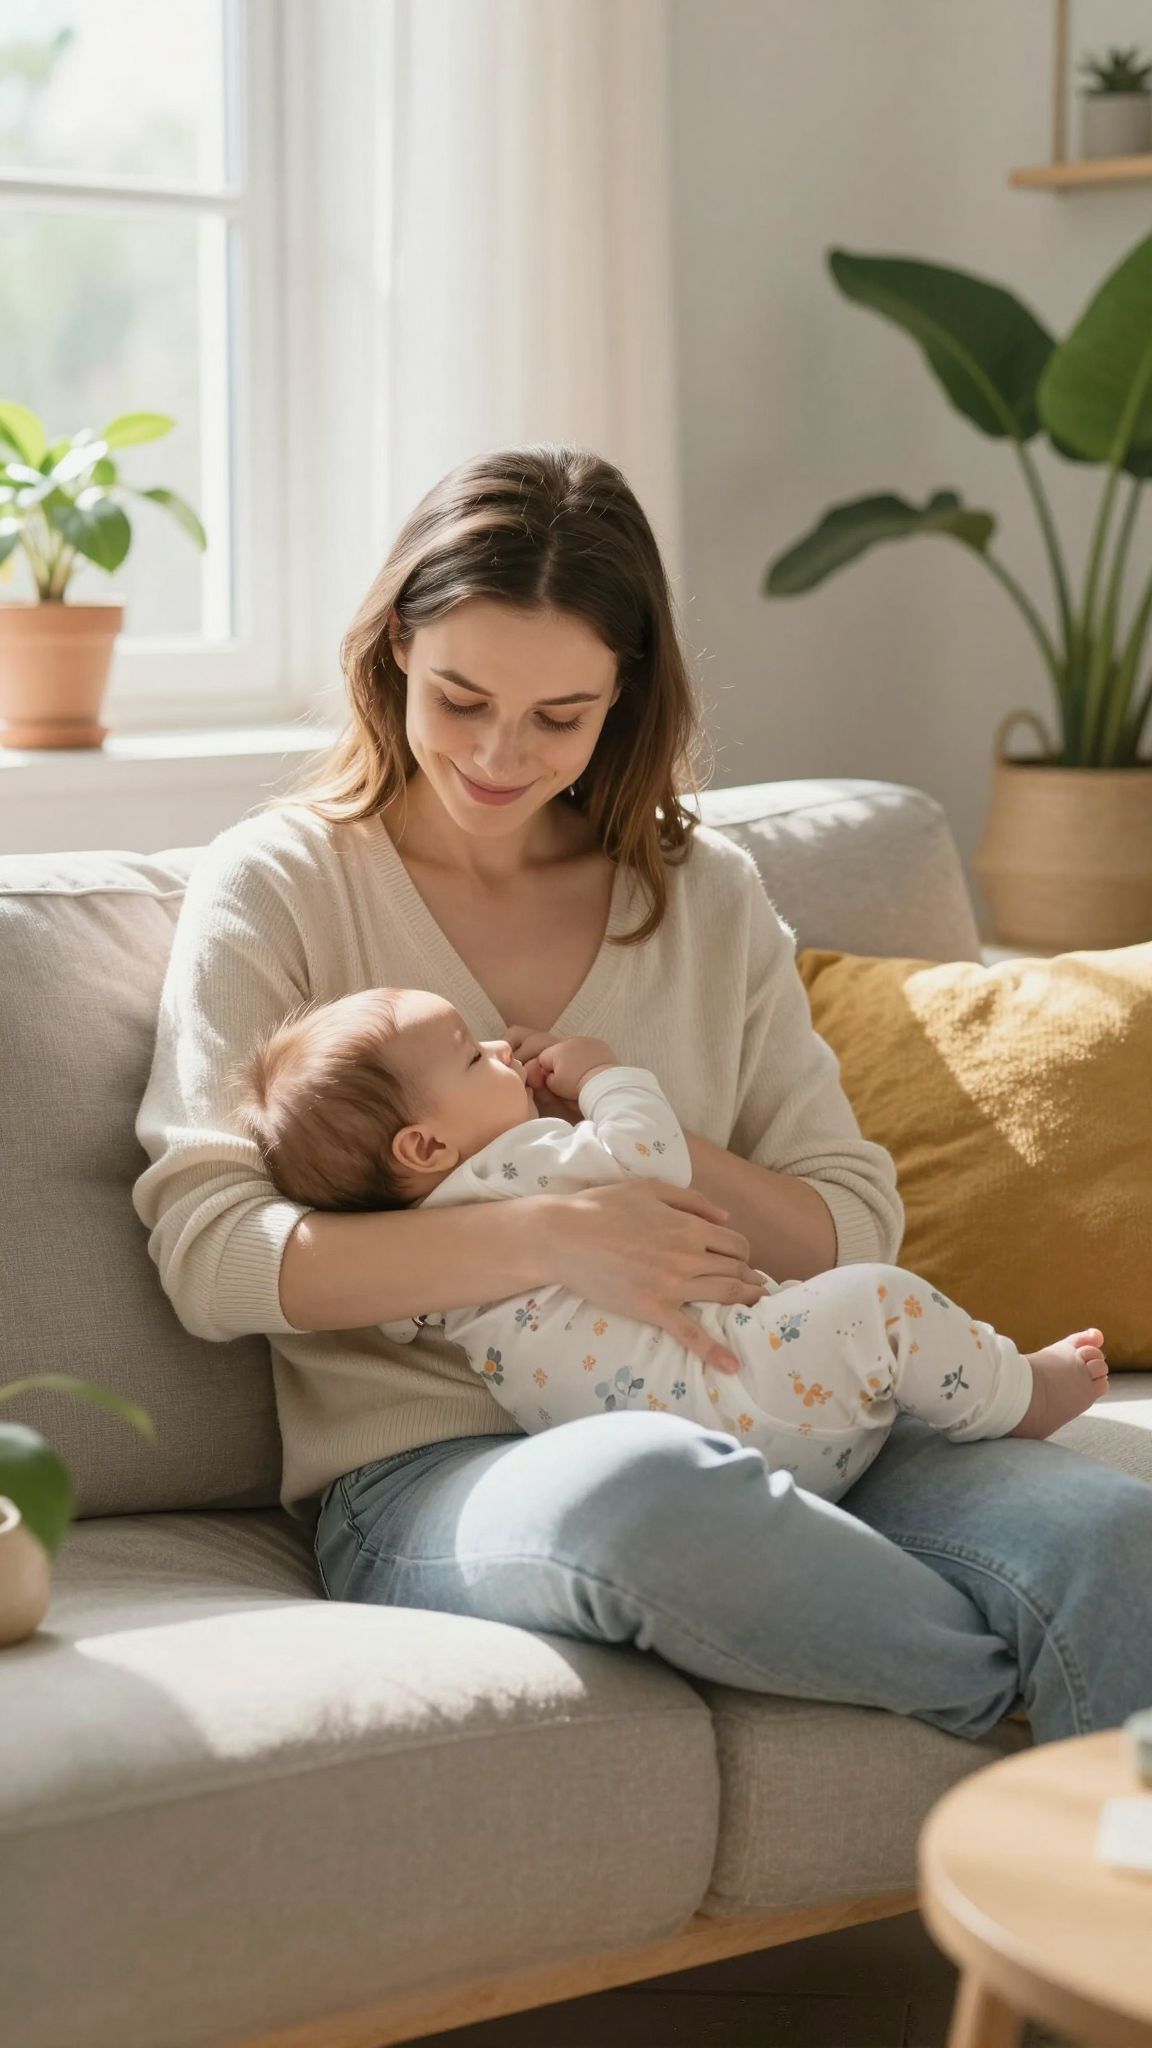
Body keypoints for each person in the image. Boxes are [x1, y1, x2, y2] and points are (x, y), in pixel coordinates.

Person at [134, 442, 1152, 1747]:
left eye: (560, 716)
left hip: (776, 1402)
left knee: (1116, 1537)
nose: (500, 755)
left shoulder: (704, 894)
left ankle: (1096, 1926)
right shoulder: (282, 885)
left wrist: (648, 1157)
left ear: (626, 695)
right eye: (460, 697)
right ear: (394, 649)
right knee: (648, 1496)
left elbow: (853, 1228)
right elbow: (216, 1257)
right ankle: (1018, 1718)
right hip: (446, 1471)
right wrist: (555, 1235)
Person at [233, 991, 1108, 1503]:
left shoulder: (413, 1268)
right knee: (881, 1301)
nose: (501, 1047)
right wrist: (604, 1074)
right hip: (746, 1396)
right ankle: (1013, 1392)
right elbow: (651, 1155)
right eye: (473, 1059)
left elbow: (386, 1324)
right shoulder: (527, 1161)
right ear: (424, 1148)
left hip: (685, 1460)